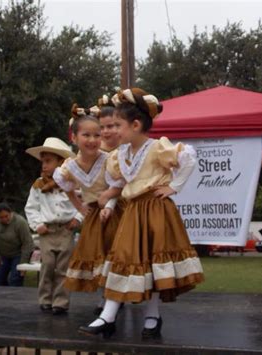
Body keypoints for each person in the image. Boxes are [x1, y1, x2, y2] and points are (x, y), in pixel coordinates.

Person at [78, 88, 204, 339]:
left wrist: (174, 187)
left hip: (156, 211)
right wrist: (110, 206)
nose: (112, 131)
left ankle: (150, 316)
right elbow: (121, 186)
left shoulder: (157, 148)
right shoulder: (119, 155)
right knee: (123, 260)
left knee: (154, 265)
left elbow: (188, 158)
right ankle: (109, 316)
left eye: (117, 125)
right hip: (134, 212)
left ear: (135, 125)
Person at [53, 104, 124, 301]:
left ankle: (116, 299)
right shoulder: (69, 167)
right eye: (86, 135)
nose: (93, 140)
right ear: (74, 138)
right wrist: (79, 207)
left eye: (97, 135)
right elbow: (67, 187)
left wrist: (108, 200)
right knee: (97, 255)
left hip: (116, 210)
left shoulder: (109, 160)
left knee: (115, 253)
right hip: (94, 214)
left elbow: (119, 185)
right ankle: (105, 299)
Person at [25, 137, 83, 315]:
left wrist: (78, 219)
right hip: (47, 231)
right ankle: (45, 299)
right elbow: (31, 207)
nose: (44, 165)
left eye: (48, 161)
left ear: (60, 162)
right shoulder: (38, 185)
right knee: (48, 265)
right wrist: (37, 224)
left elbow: (84, 202)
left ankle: (61, 302)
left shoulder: (72, 183)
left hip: (65, 230)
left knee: (63, 268)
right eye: (42, 161)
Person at [0, 202, 34, 287]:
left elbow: (27, 243)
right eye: (1, 217)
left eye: (6, 216)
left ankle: (15, 298)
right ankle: (1, 297)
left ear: (11, 213)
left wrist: (23, 263)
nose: (5, 219)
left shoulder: (20, 222)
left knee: (15, 279)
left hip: (18, 254)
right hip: (2, 254)